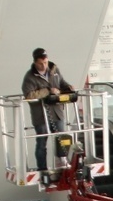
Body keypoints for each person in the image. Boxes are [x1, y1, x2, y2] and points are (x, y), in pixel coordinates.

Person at [21, 47, 74, 182]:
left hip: (57, 112)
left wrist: (68, 88)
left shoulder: (54, 70)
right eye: (40, 64)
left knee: (62, 138)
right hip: (40, 115)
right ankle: (42, 169)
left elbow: (61, 83)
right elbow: (29, 95)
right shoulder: (29, 77)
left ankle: (62, 164)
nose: (44, 66)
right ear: (35, 62)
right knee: (41, 142)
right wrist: (48, 91)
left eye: (45, 62)